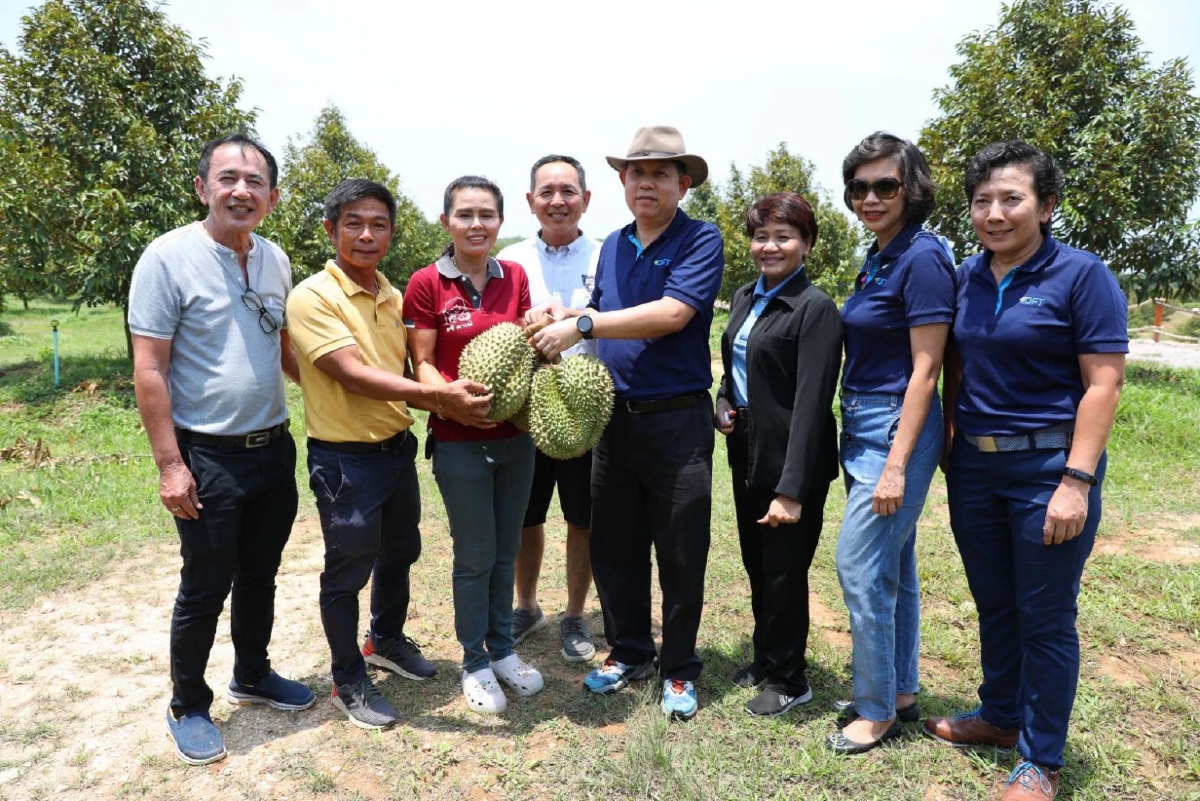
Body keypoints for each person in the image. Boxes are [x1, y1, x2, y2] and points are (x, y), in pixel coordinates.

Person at [924, 142, 1127, 801]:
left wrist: (1076, 481)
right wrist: (953, 447)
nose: (994, 212)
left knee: (1044, 615)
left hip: (1049, 469)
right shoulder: (965, 276)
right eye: (982, 200)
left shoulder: (1081, 275)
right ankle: (1000, 715)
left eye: (1011, 198)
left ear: (1046, 204)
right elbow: (955, 367)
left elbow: (1103, 384)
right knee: (996, 603)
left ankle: (1042, 759)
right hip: (975, 471)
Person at [129, 133, 315, 765]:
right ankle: (188, 703)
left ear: (272, 196)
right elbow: (149, 368)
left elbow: (285, 350)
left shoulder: (275, 259)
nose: (242, 191)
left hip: (272, 449)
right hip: (206, 454)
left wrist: (346, 385)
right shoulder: (167, 258)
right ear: (202, 188)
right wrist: (170, 464)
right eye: (228, 178)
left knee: (260, 573)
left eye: (255, 181)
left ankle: (253, 675)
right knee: (206, 583)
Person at [529, 126, 724, 721]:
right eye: (637, 173)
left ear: (682, 183)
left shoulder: (700, 239)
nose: (647, 183)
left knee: (681, 547)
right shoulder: (613, 244)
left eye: (661, 174)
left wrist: (583, 326)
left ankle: (681, 667)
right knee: (615, 544)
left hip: (677, 422)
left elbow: (671, 314)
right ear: (621, 182)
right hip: (615, 419)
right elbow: (605, 311)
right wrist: (568, 313)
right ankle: (630, 650)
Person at [286, 179, 493, 729]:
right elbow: (352, 374)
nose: (366, 234)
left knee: (400, 551)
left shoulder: (393, 295)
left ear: (392, 233)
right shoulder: (312, 297)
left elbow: (408, 366)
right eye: (353, 223)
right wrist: (436, 397)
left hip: (396, 449)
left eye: (379, 224)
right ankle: (347, 677)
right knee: (347, 569)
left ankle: (386, 638)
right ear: (331, 230)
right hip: (345, 459)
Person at [827, 132, 956, 755]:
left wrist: (897, 465)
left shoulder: (923, 257)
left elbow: (926, 370)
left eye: (886, 185)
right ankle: (900, 690)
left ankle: (874, 710)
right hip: (861, 421)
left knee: (858, 563)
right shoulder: (879, 254)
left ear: (912, 189)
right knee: (894, 566)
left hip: (893, 426)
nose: (871, 197)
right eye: (860, 187)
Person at [403, 176, 544, 714]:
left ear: (501, 222)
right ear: (447, 222)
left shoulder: (516, 276)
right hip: (460, 440)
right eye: (465, 214)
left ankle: (503, 650)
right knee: (475, 555)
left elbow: (526, 345)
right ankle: (474, 661)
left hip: (517, 438)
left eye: (487, 214)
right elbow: (424, 362)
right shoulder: (426, 283)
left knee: (506, 550)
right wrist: (450, 401)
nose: (476, 224)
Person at [714, 193, 842, 717]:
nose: (771, 246)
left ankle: (791, 679)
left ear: (807, 244)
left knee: (786, 569)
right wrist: (722, 403)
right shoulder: (747, 296)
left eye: (784, 236)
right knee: (757, 563)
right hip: (747, 448)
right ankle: (767, 656)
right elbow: (733, 371)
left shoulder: (815, 309)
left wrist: (791, 490)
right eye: (762, 236)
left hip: (795, 456)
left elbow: (813, 402)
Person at [496, 155, 601, 663]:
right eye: (546, 192)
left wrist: (577, 316)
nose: (557, 201)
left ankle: (576, 614)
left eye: (568, 191)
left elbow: (617, 320)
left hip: (587, 410)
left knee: (584, 516)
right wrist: (525, 321)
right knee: (525, 515)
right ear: (530, 200)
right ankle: (527, 605)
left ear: (586, 198)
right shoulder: (509, 259)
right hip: (526, 408)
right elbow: (493, 328)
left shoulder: (610, 257)